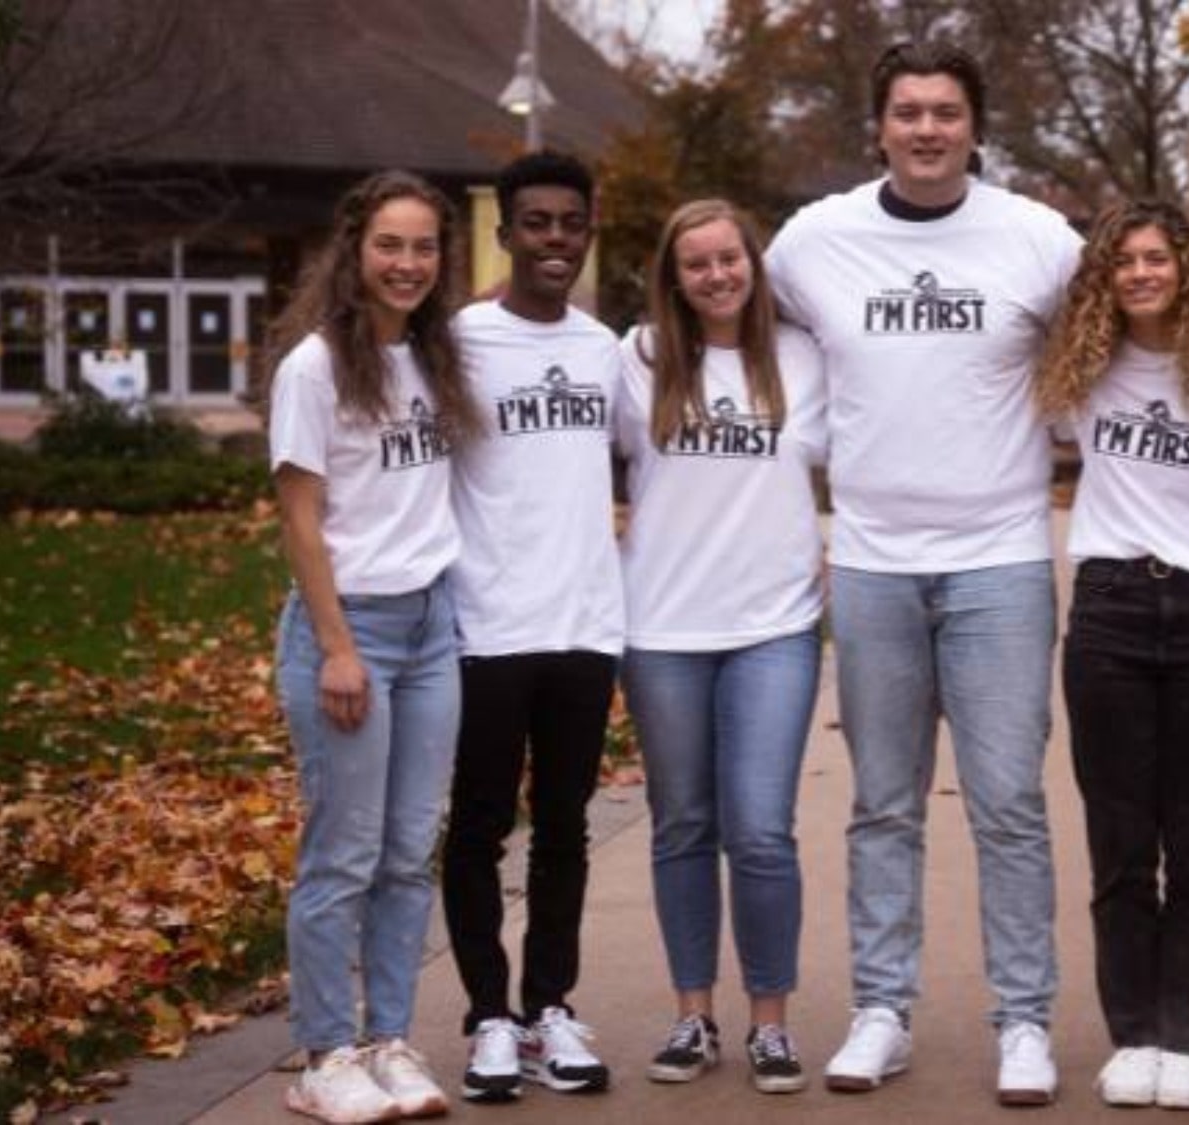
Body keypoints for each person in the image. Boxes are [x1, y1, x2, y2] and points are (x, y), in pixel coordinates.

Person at [764, 39, 1083, 1105]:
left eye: (946, 112)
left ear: (974, 126)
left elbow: (1114, 341)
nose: (927, 130)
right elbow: (729, 325)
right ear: (878, 126)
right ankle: (879, 1010)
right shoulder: (813, 242)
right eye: (907, 112)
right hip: (870, 564)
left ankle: (1024, 1021)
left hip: (998, 561)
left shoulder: (1038, 240)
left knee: (1006, 805)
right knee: (882, 804)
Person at [1035, 199, 1189, 1110]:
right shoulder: (1081, 367)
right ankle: (1133, 1033)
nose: (1139, 273)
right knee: (1121, 841)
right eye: (1122, 259)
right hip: (1112, 612)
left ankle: (1188, 1037)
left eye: (1156, 257)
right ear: (1103, 274)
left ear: (1185, 267)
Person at [267, 168, 481, 1124]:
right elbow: (301, 520)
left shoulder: (433, 359)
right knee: (343, 856)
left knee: (406, 853)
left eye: (424, 247)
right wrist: (337, 646)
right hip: (349, 631)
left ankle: (389, 1039)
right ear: (355, 251)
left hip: (432, 629)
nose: (407, 263)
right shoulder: (314, 366)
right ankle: (323, 1054)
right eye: (389, 245)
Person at [617, 199, 828, 1096]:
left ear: (754, 262)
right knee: (684, 827)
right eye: (695, 264)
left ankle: (770, 1024)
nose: (715, 275)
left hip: (773, 628)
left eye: (728, 258)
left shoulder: (804, 358)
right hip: (661, 628)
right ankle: (693, 1015)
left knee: (763, 830)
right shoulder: (638, 359)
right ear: (674, 278)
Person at [440, 150, 624, 1103]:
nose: (556, 239)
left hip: (586, 627)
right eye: (538, 223)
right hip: (485, 627)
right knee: (477, 827)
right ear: (506, 232)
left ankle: (551, 1006)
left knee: (564, 828)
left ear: (588, 233)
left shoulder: (605, 350)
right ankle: (489, 1018)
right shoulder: (459, 341)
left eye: (572, 223)